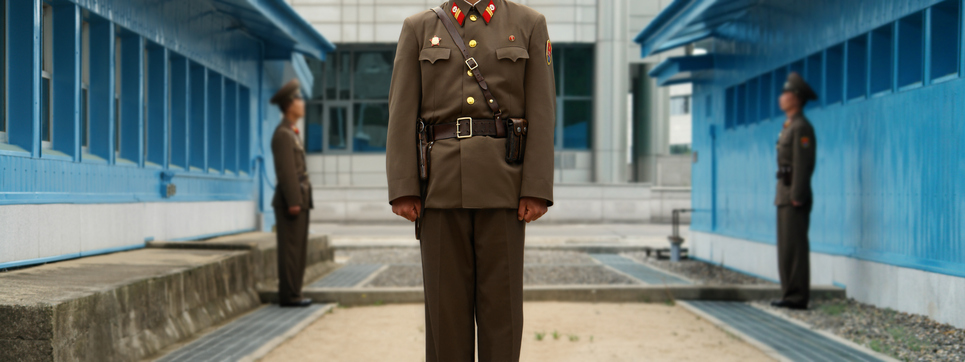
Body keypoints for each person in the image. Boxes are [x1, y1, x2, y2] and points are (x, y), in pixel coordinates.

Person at [385, 0, 555, 360]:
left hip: (504, 186)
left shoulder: (529, 23)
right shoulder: (418, 28)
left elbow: (542, 109)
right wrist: (403, 186)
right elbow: (401, 111)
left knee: (502, 311)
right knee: (444, 313)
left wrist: (537, 187)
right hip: (440, 186)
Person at [771, 72, 817, 310]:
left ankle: (797, 296)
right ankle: (789, 293)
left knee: (795, 247)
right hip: (784, 193)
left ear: (797, 98)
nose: (782, 97)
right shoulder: (789, 125)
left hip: (794, 195)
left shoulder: (801, 127)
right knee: (786, 248)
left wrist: (797, 195)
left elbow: (803, 163)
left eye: (786, 93)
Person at [270, 79, 314, 308]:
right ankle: (289, 296)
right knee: (290, 250)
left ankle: (295, 292)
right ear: (289, 104)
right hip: (292, 201)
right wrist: (294, 201)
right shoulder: (283, 134)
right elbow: (286, 172)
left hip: (300, 199)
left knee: (298, 251)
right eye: (299, 99)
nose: (302, 103)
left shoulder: (291, 132)